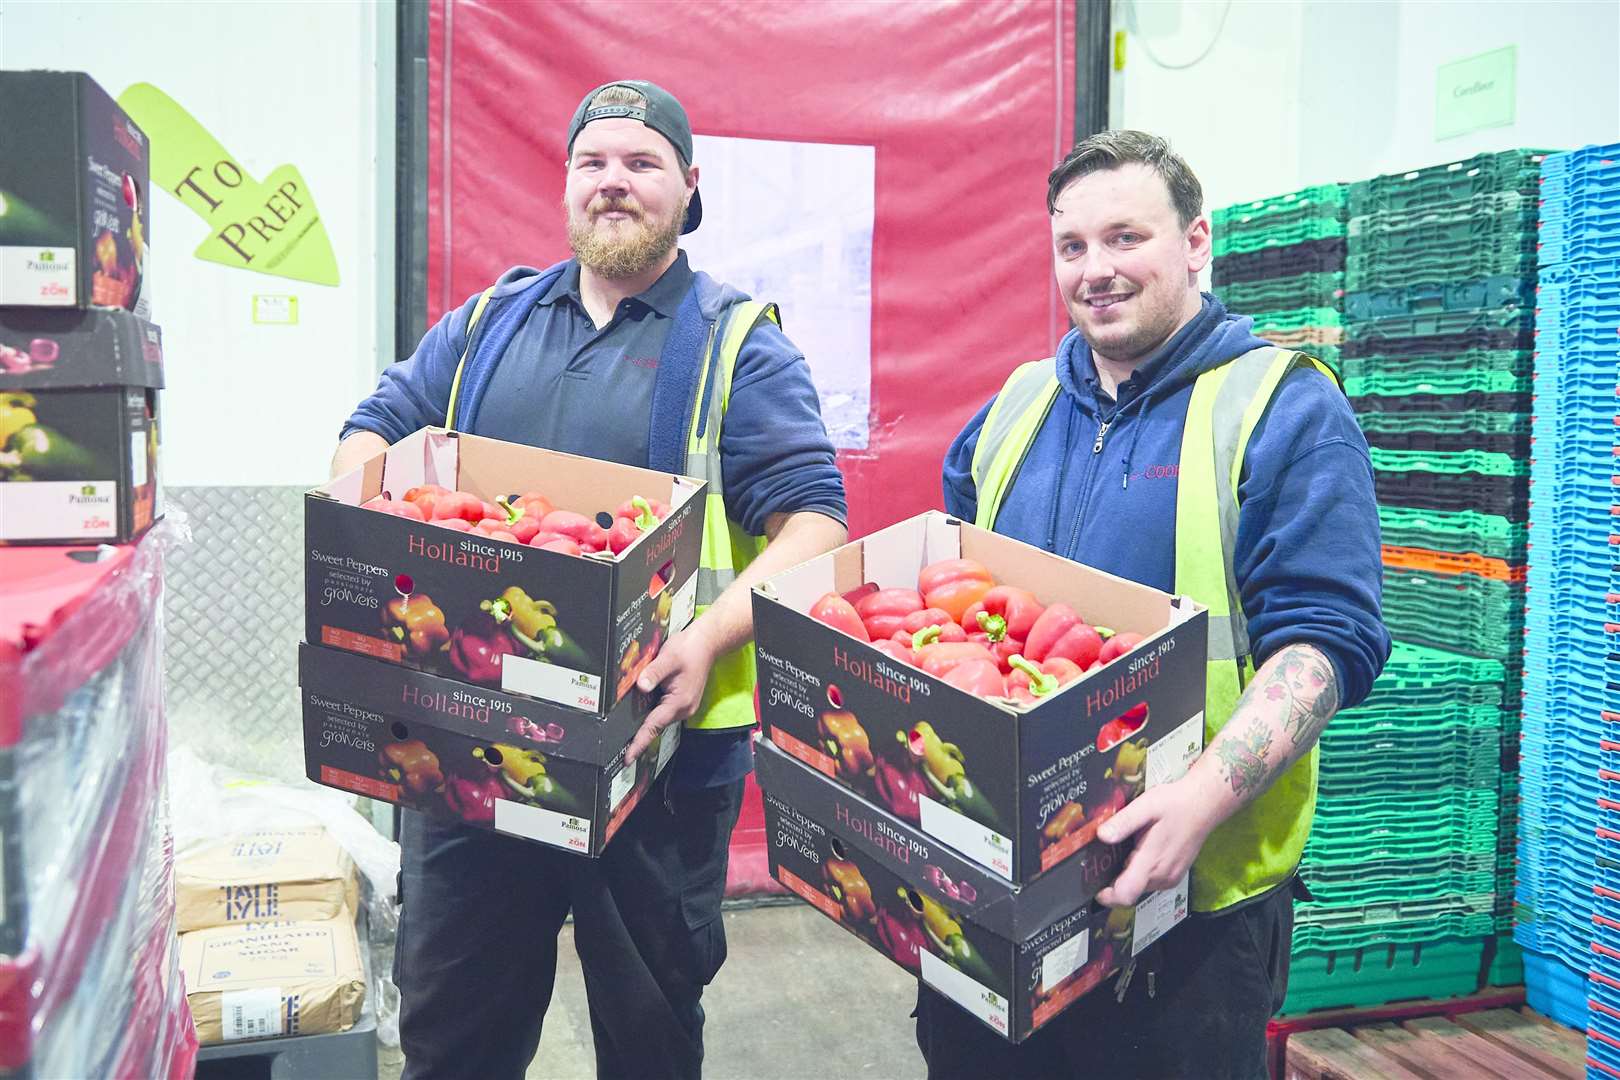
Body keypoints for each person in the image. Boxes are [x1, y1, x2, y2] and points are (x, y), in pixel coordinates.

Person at [333, 80, 848, 1080]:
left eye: (641, 163)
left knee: (648, 1033)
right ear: (568, 183)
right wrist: (370, 516)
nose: (614, 181)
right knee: (452, 1029)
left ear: (688, 188)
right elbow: (376, 424)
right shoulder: (488, 321)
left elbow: (816, 527)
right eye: (594, 162)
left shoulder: (741, 345)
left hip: (652, 752)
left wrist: (703, 642)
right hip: (470, 735)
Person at [920, 130, 1391, 1078]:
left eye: (1126, 237)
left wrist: (1199, 801)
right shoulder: (1014, 408)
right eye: (1072, 247)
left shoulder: (1283, 407)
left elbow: (1326, 644)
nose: (1096, 270)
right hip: (1001, 886)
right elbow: (952, 603)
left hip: (1192, 914)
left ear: (1195, 242)